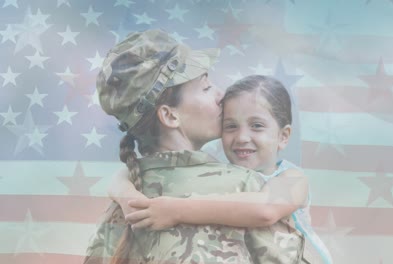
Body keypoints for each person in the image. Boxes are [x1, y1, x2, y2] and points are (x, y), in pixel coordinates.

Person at [83, 29, 309, 264]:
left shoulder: (125, 203)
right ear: (170, 116)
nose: (221, 94)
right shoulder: (248, 188)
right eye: (206, 87)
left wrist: (124, 188)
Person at [110, 75, 333, 264]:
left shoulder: (292, 178)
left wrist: (174, 210)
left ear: (283, 136)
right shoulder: (224, 174)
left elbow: (264, 211)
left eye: (257, 126)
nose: (242, 137)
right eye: (230, 126)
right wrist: (126, 193)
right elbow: (122, 175)